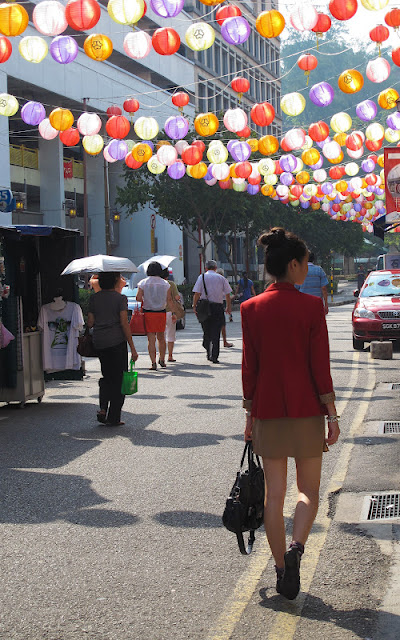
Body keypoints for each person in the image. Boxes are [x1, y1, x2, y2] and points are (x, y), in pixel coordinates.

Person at [241, 228, 339, 601]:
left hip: (267, 411)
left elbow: (250, 368)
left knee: (274, 495)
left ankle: (282, 569)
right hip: (306, 410)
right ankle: (297, 547)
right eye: (306, 263)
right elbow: (320, 366)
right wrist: (332, 414)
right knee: (308, 491)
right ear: (294, 264)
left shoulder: (250, 309)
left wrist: (249, 415)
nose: (308, 269)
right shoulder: (311, 308)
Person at [87, 271, 138, 427]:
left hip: (100, 342)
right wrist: (132, 347)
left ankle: (103, 407)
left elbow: (90, 322)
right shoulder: (120, 299)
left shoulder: (94, 298)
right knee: (119, 379)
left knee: (106, 375)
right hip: (117, 342)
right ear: (115, 281)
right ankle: (114, 417)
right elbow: (124, 323)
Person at [192, 260, 232, 364]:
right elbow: (227, 294)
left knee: (206, 330)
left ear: (206, 268)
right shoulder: (221, 278)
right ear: (215, 268)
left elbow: (197, 293)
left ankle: (207, 348)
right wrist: (228, 306)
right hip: (218, 307)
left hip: (204, 307)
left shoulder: (201, 277)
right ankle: (214, 356)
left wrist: (194, 305)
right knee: (216, 332)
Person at [136, 262, 173, 370]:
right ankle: (162, 359)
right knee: (161, 338)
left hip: (148, 313)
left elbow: (138, 298)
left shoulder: (143, 283)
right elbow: (169, 299)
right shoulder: (165, 284)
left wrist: (146, 298)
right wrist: (173, 312)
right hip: (161, 312)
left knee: (151, 339)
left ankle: (153, 363)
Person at [162, 267, 180, 362]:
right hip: (170, 311)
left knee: (161, 335)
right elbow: (177, 297)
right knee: (171, 334)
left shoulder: (157, 284)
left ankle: (161, 356)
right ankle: (170, 355)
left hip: (159, 312)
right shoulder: (171, 284)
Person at [216, 267, 233, 348]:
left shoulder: (212, 280)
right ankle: (224, 341)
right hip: (220, 303)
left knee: (215, 323)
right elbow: (227, 294)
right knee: (222, 324)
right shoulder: (223, 280)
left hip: (213, 303)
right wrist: (228, 306)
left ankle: (216, 342)